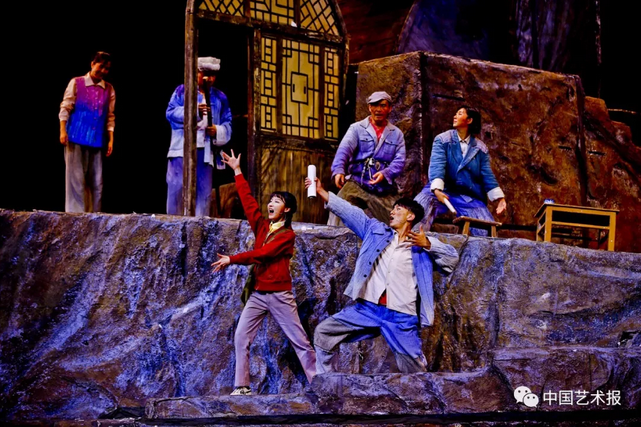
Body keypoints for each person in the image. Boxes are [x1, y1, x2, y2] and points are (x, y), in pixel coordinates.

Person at [305, 176, 459, 374]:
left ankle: (419, 391)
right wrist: (322, 192)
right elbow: (351, 213)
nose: (392, 212)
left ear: (410, 216)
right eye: (392, 209)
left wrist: (428, 244)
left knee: (415, 370)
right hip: (368, 309)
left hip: (401, 316)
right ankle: (328, 382)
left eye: (398, 209)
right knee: (324, 333)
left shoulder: (422, 244)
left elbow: (451, 259)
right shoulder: (376, 231)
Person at [212, 150, 316, 395]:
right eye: (270, 200)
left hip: (280, 295)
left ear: (287, 209)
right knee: (241, 337)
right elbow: (248, 202)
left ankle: (319, 384)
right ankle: (242, 386)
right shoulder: (262, 227)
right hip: (259, 294)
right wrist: (237, 170)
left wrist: (232, 259)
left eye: (277, 201)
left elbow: (263, 254)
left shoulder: (287, 236)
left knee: (300, 341)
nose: (271, 204)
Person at [414, 105, 507, 236]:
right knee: (416, 212)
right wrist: (437, 190)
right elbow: (437, 165)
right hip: (441, 190)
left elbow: (487, 175)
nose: (455, 116)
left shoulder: (480, 148)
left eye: (460, 113)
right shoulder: (443, 140)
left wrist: (500, 199)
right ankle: (412, 245)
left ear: (469, 120)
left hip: (467, 196)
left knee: (487, 232)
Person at [166, 56, 232, 216]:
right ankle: (173, 225)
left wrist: (217, 130)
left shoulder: (220, 97)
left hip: (206, 151)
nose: (209, 79)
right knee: (177, 189)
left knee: (203, 194)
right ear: (196, 73)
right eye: (205, 74)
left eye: (213, 75)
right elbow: (170, 113)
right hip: (182, 149)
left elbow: (228, 123)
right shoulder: (182, 91)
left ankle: (199, 226)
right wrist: (194, 110)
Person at [328, 91, 406, 226]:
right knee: (338, 208)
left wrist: (385, 173)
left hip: (383, 188)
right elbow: (344, 150)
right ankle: (333, 237)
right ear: (369, 107)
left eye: (383, 105)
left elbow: (400, 161)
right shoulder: (356, 128)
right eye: (374, 105)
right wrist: (339, 170)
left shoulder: (396, 134)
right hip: (357, 182)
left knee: (400, 221)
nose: (378, 109)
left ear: (389, 108)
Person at [59, 51, 115, 213]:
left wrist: (111, 139)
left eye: (107, 68)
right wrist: (62, 130)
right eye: (101, 66)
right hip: (75, 137)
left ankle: (93, 216)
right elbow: (66, 107)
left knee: (96, 182)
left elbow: (110, 116)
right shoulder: (77, 83)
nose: (103, 71)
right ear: (92, 64)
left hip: (97, 140)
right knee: (76, 180)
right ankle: (76, 216)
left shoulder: (109, 89)